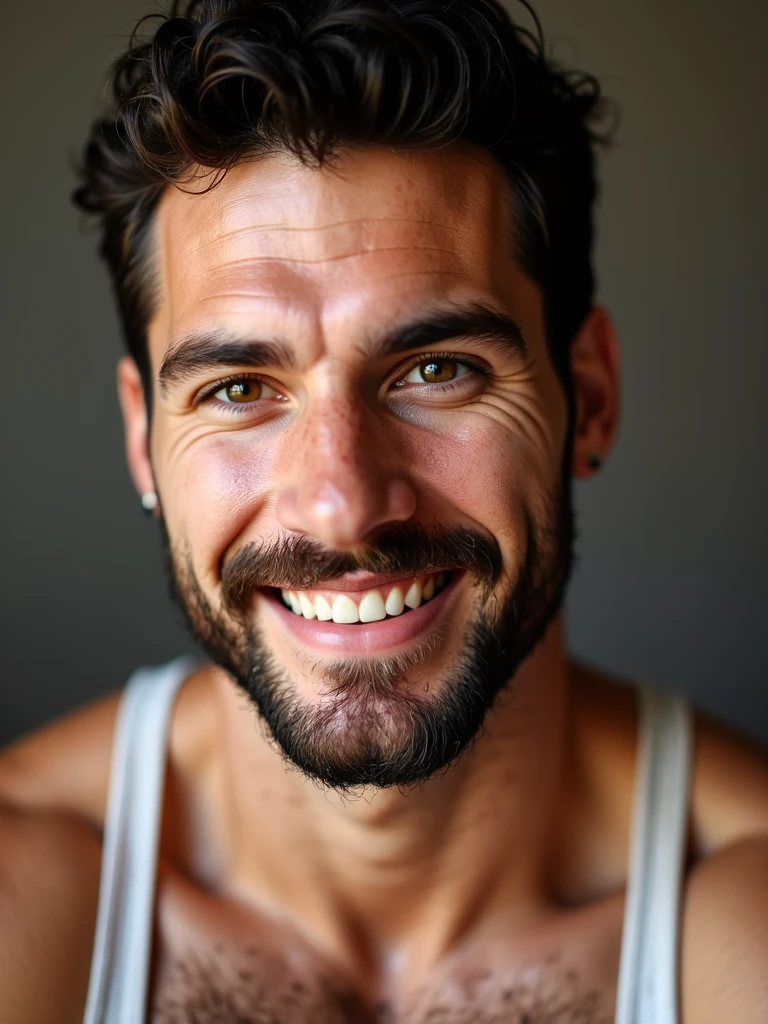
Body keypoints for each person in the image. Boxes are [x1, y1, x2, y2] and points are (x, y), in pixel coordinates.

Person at [1, 0, 767, 1020]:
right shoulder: (27, 888)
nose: (343, 504)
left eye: (436, 369)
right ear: (145, 440)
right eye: (237, 389)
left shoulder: (739, 906)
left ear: (589, 394)